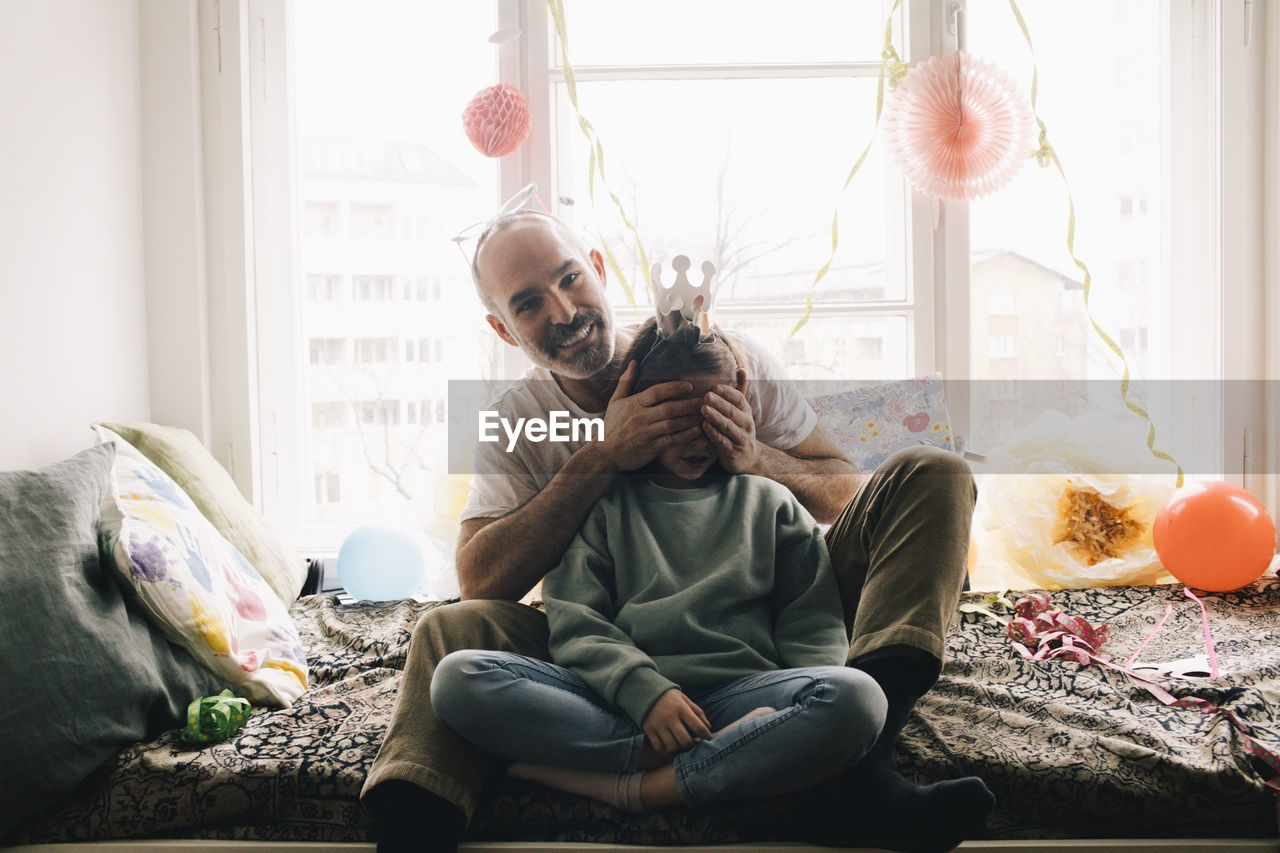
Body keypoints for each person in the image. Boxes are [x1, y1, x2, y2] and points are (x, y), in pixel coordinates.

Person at [361, 209, 992, 851]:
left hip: (763, 629)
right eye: (528, 305)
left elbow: (841, 492)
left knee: (936, 472)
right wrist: (602, 457)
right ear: (502, 329)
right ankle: (418, 813)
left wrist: (757, 459)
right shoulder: (520, 420)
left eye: (571, 279)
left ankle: (859, 773)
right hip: (617, 646)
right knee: (447, 632)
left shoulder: (725, 359)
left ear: (599, 270)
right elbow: (479, 581)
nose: (562, 311)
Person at [429, 316, 888, 815]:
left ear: (739, 397)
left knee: (858, 698)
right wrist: (646, 694)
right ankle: (691, 756)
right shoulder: (603, 509)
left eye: (710, 418)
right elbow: (578, 622)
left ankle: (636, 786)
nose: (694, 440)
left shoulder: (772, 503)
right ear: (630, 409)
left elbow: (812, 621)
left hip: (747, 699)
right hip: (623, 704)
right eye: (673, 421)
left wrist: (792, 707)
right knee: (459, 678)